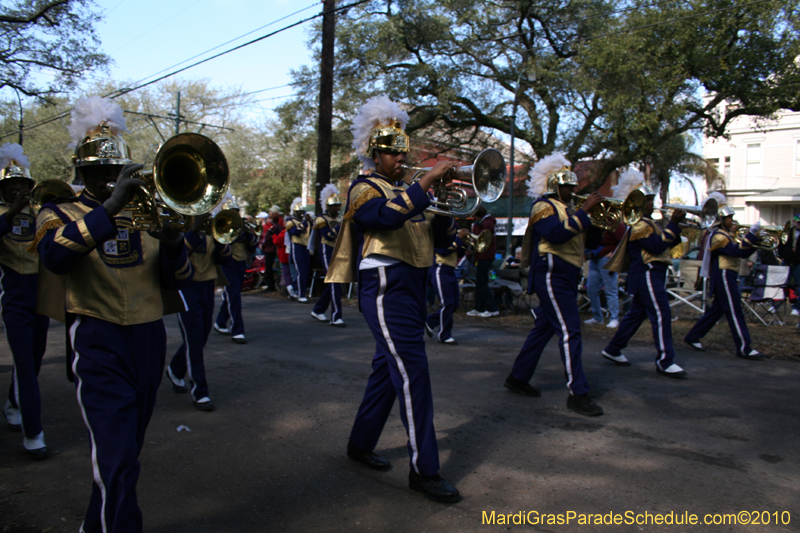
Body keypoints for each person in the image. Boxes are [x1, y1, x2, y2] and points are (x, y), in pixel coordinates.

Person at [34, 95, 193, 533]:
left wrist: (176, 238)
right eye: (98, 173)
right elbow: (54, 256)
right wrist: (109, 207)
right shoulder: (59, 212)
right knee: (117, 455)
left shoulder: (150, 215)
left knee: (123, 454)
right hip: (97, 338)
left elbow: (181, 277)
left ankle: (94, 523)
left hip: (148, 338)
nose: (108, 179)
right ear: (81, 173)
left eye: (114, 172)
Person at [325, 95, 461, 503]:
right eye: (391, 152)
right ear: (374, 153)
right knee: (412, 373)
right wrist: (425, 183)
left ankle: (360, 442)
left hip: (413, 283)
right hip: (385, 285)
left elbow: (434, 238)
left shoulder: (407, 191)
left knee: (388, 370)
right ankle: (425, 470)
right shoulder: (364, 189)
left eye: (403, 151)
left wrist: (451, 214)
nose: (400, 158)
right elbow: (385, 218)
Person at [504, 153, 605, 416]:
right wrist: (584, 213)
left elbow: (592, 244)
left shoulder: (570, 210)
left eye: (574, 185)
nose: (573, 190)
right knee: (571, 330)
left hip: (568, 274)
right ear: (553, 185)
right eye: (567, 185)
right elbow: (557, 235)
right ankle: (578, 393)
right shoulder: (543, 206)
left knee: (544, 330)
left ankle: (517, 377)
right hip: (551, 272)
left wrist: (597, 221)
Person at [599, 170, 688, 378]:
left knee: (636, 315)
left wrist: (676, 228)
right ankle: (665, 361)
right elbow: (656, 246)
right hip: (647, 273)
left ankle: (613, 349)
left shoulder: (649, 223)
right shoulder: (638, 224)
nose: (652, 204)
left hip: (652, 273)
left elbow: (665, 243)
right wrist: (673, 224)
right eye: (647, 201)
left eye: (651, 200)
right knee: (661, 313)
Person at [0, 143, 50, 458]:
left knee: (35, 358)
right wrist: (14, 212)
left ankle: (13, 403)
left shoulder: (38, 215)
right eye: (11, 184)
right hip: (14, 297)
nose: (18, 188)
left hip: (41, 295)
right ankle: (34, 433)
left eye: (23, 184)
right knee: (24, 363)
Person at [165, 213, 231, 411]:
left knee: (201, 335)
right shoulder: (180, 225)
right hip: (186, 286)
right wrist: (193, 230)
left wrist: (219, 238)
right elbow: (176, 252)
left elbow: (225, 259)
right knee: (194, 337)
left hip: (207, 285)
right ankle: (200, 392)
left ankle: (175, 369)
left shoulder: (212, 230)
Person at [683, 196, 762, 358]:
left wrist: (755, 239)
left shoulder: (726, 234)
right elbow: (736, 252)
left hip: (729, 273)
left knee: (717, 310)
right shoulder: (719, 235)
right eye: (729, 218)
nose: (732, 221)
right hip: (724, 274)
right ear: (720, 219)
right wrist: (751, 236)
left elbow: (743, 252)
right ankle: (744, 347)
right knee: (735, 310)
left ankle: (693, 336)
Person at [214, 208, 258, 344]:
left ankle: (220, 322)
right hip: (228, 264)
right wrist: (234, 233)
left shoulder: (243, 229)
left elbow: (253, 246)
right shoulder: (223, 228)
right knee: (234, 296)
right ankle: (237, 330)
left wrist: (248, 233)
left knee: (232, 296)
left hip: (241, 264)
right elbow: (220, 244)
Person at [310, 185, 345, 326]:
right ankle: (336, 316)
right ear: (328, 207)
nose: (337, 208)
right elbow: (328, 236)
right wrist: (339, 226)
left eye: (338, 206)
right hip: (327, 250)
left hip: (339, 251)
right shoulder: (321, 219)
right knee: (334, 282)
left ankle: (318, 309)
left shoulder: (341, 218)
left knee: (335, 283)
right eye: (334, 206)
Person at [425, 228, 467, 344]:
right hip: (440, 269)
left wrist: (464, 245)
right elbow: (444, 251)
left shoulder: (452, 238)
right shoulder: (437, 237)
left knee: (454, 304)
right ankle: (444, 335)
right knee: (447, 303)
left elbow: (458, 253)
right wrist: (459, 239)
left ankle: (430, 321)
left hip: (451, 270)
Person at [584, 223, 625, 329]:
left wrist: (614, 253)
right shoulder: (594, 221)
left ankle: (614, 318)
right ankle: (597, 317)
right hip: (595, 257)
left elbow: (622, 238)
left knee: (610, 289)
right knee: (591, 289)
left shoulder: (612, 221)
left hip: (606, 257)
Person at [466, 206, 499, 317]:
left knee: (482, 283)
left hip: (485, 256)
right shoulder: (486, 222)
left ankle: (492, 308)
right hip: (482, 256)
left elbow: (481, 239)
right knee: (479, 283)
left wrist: (475, 228)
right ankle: (479, 307)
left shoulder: (485, 224)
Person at [285, 197, 311, 303]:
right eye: (299, 212)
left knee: (306, 272)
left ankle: (293, 288)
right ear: (295, 212)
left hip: (306, 247)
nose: (301, 213)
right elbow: (295, 232)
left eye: (302, 211)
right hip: (297, 247)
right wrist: (304, 223)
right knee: (301, 271)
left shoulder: (307, 222)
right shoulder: (290, 222)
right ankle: (301, 294)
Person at [777, 214, 800, 316]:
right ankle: (775, 305)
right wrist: (781, 255)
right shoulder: (789, 232)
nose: (798, 224)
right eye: (797, 222)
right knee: (779, 284)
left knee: (798, 286)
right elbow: (782, 243)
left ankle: (796, 307)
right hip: (786, 261)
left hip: (798, 263)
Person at [259, 205, 283, 292]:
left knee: (269, 267)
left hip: (270, 248)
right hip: (270, 248)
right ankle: (270, 283)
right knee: (269, 267)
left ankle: (271, 285)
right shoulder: (275, 225)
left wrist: (263, 244)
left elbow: (269, 237)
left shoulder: (275, 226)